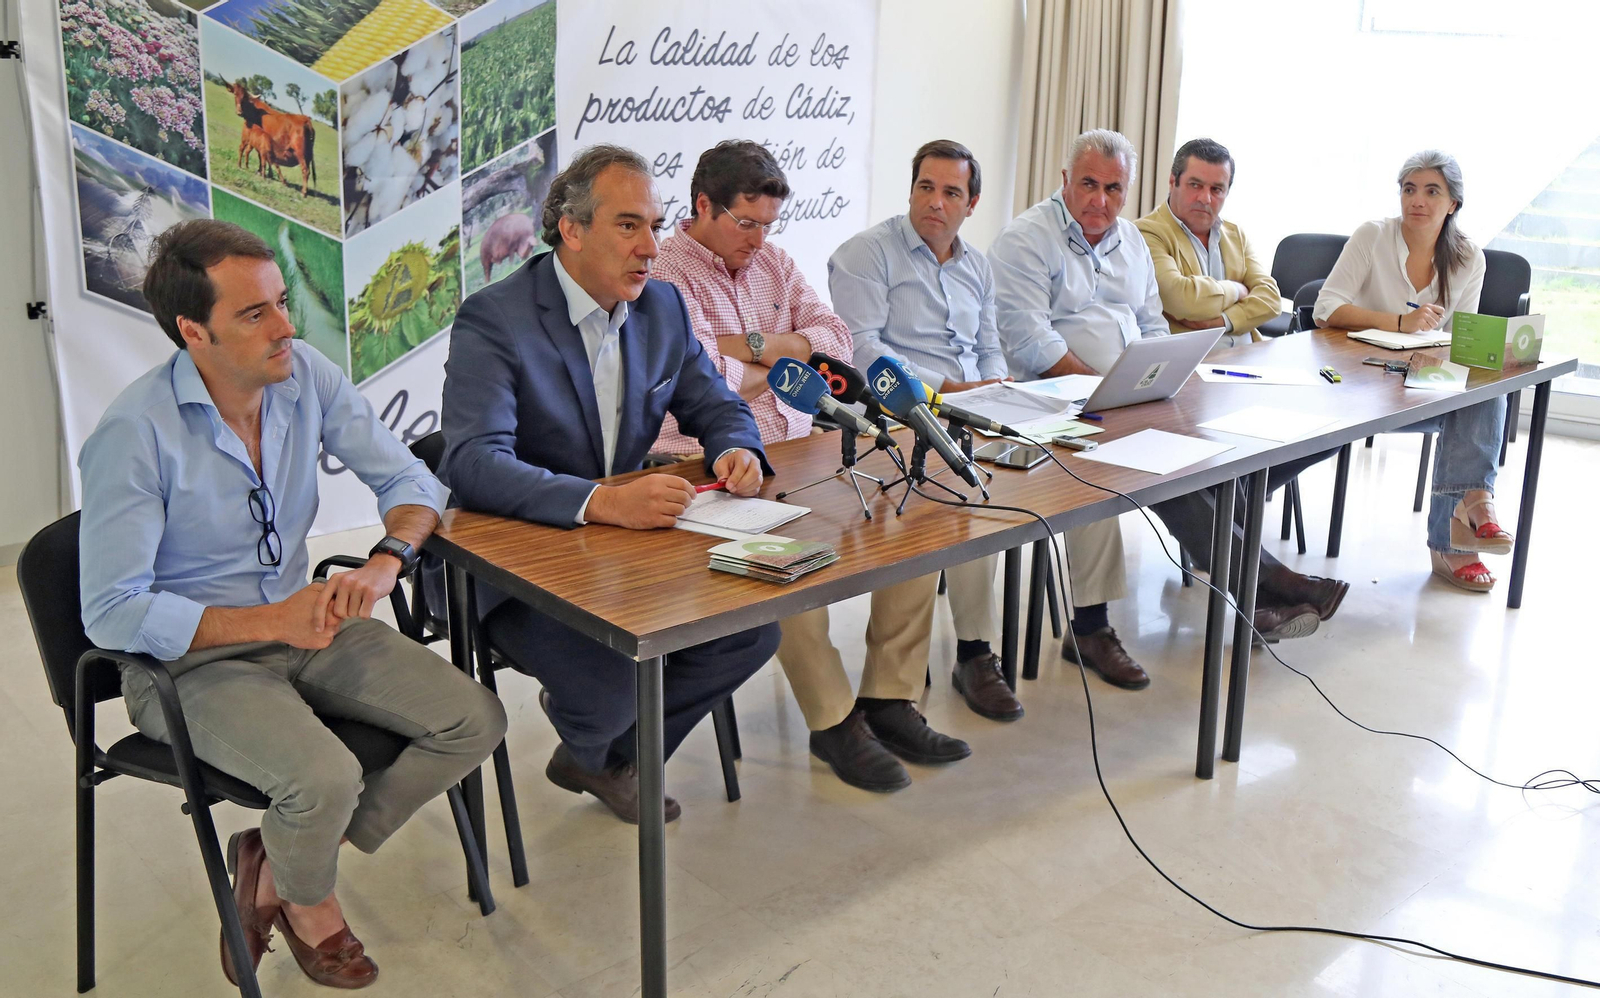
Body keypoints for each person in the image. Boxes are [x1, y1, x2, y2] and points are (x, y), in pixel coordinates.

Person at [78, 219, 506, 990]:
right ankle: (310, 902)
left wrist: (387, 560)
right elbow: (111, 613)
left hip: (307, 624)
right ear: (192, 331)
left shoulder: (303, 373)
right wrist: (271, 621)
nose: (286, 328)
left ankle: (277, 861)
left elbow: (413, 482)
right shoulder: (133, 434)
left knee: (475, 719)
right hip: (187, 663)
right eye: (255, 314)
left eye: (283, 303)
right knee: (324, 778)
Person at [439, 144, 781, 822]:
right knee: (610, 683)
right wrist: (600, 501)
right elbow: (472, 463)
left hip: (628, 551)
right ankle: (603, 743)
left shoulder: (661, 310)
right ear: (571, 229)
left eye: (655, 225)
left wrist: (736, 449)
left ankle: (598, 757)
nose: (652, 248)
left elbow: (716, 405)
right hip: (519, 562)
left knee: (751, 630)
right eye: (630, 225)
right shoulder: (495, 318)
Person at [650, 140, 969, 793]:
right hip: (708, 466)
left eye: (769, 224)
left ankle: (890, 697)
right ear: (702, 205)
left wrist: (765, 352)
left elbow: (834, 340)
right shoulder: (664, 275)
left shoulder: (772, 261)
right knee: (787, 566)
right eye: (745, 223)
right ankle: (834, 721)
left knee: (915, 520)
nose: (758, 239)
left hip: (802, 450)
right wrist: (780, 365)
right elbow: (701, 372)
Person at [990, 130, 1337, 689]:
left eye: (1113, 188)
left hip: (1125, 396)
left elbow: (1152, 326)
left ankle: (1261, 596)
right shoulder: (1026, 240)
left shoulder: (1129, 241)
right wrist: (1103, 389)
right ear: (1064, 181)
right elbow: (1032, 345)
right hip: (1050, 403)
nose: (1100, 200)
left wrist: (1147, 381)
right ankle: (1098, 627)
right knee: (1099, 468)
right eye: (1088, 184)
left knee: (1194, 461)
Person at [830, 138, 1026, 724]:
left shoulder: (979, 266)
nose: (935, 202)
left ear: (972, 203)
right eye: (925, 187)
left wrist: (990, 387)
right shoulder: (865, 254)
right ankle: (975, 652)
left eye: (950, 192)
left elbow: (991, 345)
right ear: (911, 188)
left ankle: (1006, 643)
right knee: (966, 492)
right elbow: (863, 351)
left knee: (1030, 475)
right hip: (898, 412)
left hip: (973, 407)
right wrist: (946, 392)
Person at [1137, 139, 1349, 630]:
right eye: (1194, 185)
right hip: (1186, 386)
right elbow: (1177, 294)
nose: (1205, 198)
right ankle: (1272, 590)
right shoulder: (1147, 234)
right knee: (1199, 473)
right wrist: (1237, 293)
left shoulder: (1234, 234)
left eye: (1217, 188)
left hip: (1244, 370)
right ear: (1172, 183)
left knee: (1329, 429)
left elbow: (1270, 297)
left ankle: (1234, 529)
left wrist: (1219, 320)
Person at [1315, 150, 1510, 592]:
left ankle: (1473, 504)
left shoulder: (1468, 258)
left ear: (1453, 203)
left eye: (1431, 191)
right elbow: (1325, 309)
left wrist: (1446, 354)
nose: (1417, 201)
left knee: (1483, 390)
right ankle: (1461, 533)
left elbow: (1462, 340)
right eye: (1409, 189)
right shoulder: (1373, 236)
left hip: (1422, 381)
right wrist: (1398, 322)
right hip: (1357, 379)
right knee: (1474, 405)